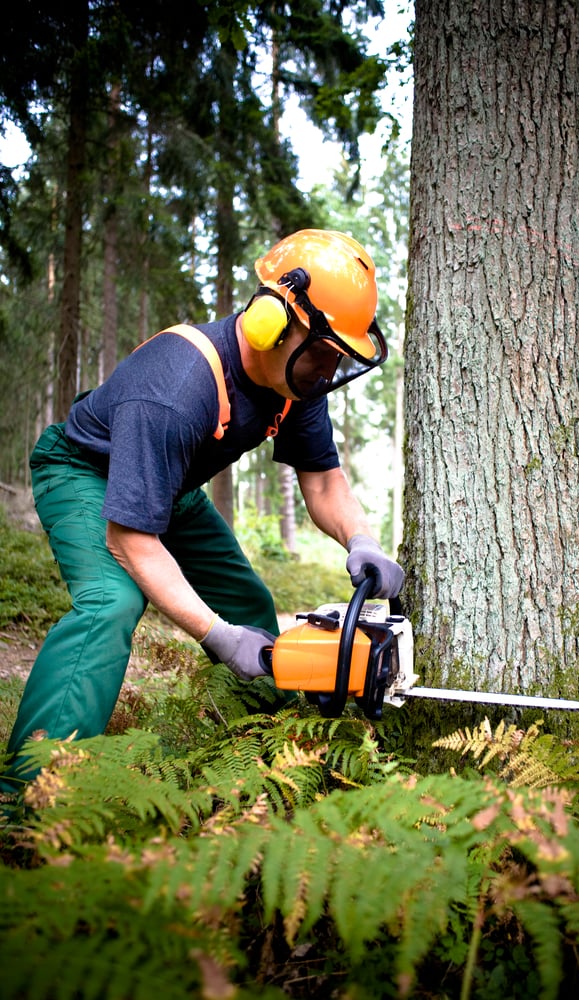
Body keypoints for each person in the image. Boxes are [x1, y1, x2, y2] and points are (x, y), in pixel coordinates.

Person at [1, 229, 403, 793]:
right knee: (111, 604)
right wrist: (215, 635)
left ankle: (266, 746)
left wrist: (362, 541)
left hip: (169, 487)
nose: (325, 371)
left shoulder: (297, 385)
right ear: (272, 321)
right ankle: (24, 799)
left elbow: (324, 481)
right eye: (321, 352)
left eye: (337, 358)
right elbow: (131, 541)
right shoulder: (175, 388)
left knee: (249, 603)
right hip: (83, 472)